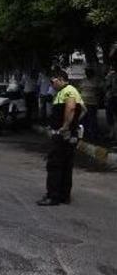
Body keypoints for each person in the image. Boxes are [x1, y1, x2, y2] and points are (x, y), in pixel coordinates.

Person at [37, 69, 85, 206]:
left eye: (53, 81)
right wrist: (74, 124)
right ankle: (64, 195)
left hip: (63, 135)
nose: (51, 84)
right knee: (66, 165)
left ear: (60, 79)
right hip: (69, 135)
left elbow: (70, 108)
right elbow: (83, 110)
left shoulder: (68, 90)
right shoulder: (67, 91)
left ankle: (53, 196)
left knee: (54, 164)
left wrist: (65, 126)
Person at [79, 68, 101, 141]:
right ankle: (84, 134)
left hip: (92, 103)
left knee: (92, 119)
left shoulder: (96, 80)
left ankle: (94, 135)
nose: (87, 73)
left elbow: (99, 91)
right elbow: (80, 89)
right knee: (83, 119)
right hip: (84, 103)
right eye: (86, 72)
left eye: (88, 72)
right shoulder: (83, 80)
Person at [105, 64, 117, 142]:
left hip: (113, 98)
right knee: (112, 118)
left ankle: (113, 136)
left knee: (112, 117)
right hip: (112, 97)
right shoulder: (112, 75)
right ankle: (112, 134)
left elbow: (108, 86)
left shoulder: (111, 75)